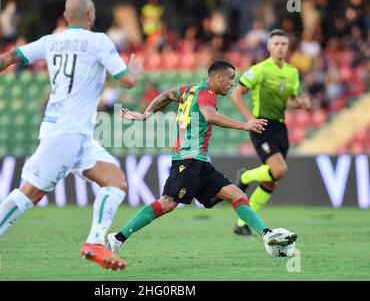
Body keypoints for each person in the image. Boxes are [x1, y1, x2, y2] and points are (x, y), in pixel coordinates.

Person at [0, 0, 143, 280]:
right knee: (31, 193)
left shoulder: (50, 41)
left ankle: (94, 242)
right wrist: (134, 70)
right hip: (65, 133)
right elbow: (127, 81)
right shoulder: (100, 42)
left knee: (116, 182)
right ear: (91, 15)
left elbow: (9, 57)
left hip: (78, 134)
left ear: (67, 17)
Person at [105, 60, 297, 255]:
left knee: (238, 196)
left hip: (200, 162)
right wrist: (245, 125)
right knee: (167, 203)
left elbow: (166, 95)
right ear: (218, 77)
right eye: (230, 79)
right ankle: (118, 238)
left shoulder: (189, 89)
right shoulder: (207, 93)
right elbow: (210, 116)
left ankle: (267, 235)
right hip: (188, 160)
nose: (232, 83)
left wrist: (146, 115)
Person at [230, 29, 311, 236]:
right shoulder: (259, 70)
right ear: (269, 47)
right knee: (279, 170)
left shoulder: (292, 72)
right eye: (276, 44)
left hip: (280, 128)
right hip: (262, 126)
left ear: (288, 47)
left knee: (271, 181)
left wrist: (300, 103)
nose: (280, 47)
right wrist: (250, 119)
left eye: (284, 44)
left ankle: (241, 224)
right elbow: (236, 94)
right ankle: (246, 176)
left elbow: (291, 100)